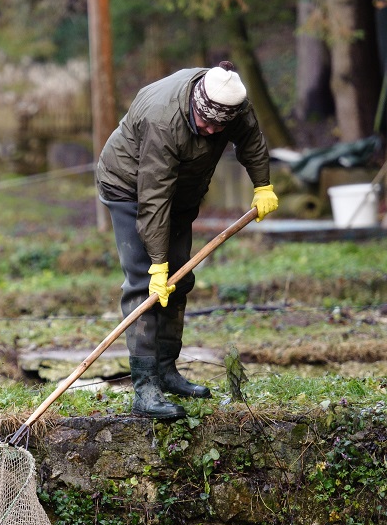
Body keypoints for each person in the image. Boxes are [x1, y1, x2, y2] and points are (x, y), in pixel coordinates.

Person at [96, 60, 278, 420]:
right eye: (205, 122)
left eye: (219, 126)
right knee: (145, 283)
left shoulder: (233, 104)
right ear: (196, 103)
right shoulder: (162, 119)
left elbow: (252, 141)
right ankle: (145, 387)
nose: (211, 131)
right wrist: (157, 264)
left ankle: (166, 371)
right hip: (130, 187)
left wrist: (263, 185)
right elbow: (153, 199)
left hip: (181, 191)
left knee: (180, 278)